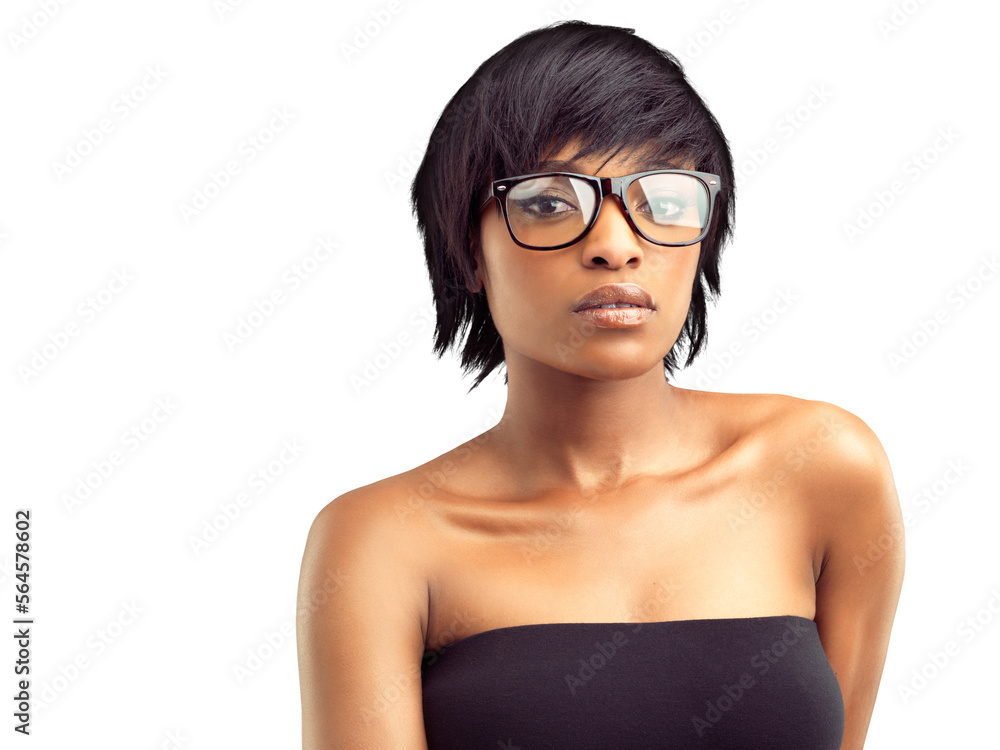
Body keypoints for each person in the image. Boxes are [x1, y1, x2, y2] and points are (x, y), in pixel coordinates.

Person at [296, 20, 904, 750]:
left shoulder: (823, 468)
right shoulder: (381, 542)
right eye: (550, 203)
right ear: (468, 252)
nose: (616, 244)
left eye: (665, 199)